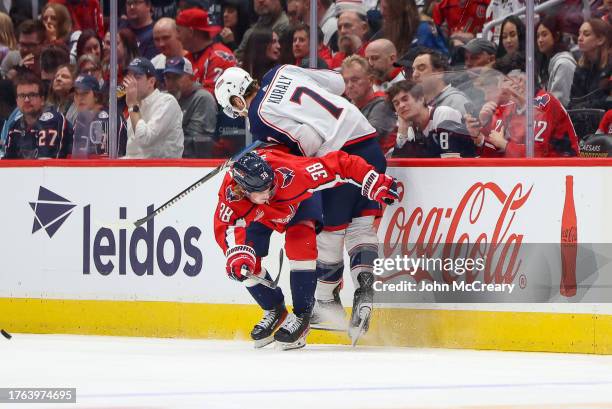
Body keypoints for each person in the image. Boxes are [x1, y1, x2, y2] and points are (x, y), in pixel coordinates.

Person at [214, 65, 391, 338]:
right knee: (361, 225)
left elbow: (309, 140)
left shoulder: (258, 117)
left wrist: (272, 152)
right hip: (368, 142)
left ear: (237, 100)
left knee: (330, 235)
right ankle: (365, 288)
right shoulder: (279, 71)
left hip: (339, 156)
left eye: (234, 107)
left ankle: (326, 302)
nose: (238, 113)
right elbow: (337, 83)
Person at [213, 149, 398, 349]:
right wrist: (236, 255)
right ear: (244, 190)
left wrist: (375, 181)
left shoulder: (293, 175)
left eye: (271, 187)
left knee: (301, 247)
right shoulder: (233, 197)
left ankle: (302, 317)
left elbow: (340, 164)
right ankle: (275, 310)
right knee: (244, 266)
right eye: (262, 192)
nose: (268, 194)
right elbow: (226, 227)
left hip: (298, 206)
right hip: (259, 215)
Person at [465, 54, 580, 157]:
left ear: (519, 81)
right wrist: (479, 137)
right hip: (527, 174)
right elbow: (498, 154)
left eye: (504, 80)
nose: (500, 86)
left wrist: (505, 145)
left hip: (562, 171)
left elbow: (538, 154)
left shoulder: (544, 103)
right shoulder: (507, 107)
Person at [387, 79, 476, 158]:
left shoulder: (443, 114)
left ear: (421, 98)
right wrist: (402, 132)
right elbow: (400, 164)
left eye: (405, 99)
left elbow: (449, 160)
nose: (401, 105)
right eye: (396, 103)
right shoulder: (409, 128)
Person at [123, 57, 184, 158]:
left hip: (164, 171)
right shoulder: (136, 106)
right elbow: (132, 152)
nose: (131, 82)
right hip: (138, 170)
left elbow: (145, 139)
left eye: (137, 77)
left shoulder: (167, 102)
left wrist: (132, 106)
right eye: (129, 77)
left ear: (151, 82)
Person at [4, 72, 72, 159]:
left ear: (42, 100)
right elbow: (8, 163)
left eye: (32, 95)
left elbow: (45, 164)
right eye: (22, 96)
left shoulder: (52, 120)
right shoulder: (14, 127)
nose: (27, 100)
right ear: (17, 101)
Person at [341, 55, 397, 156]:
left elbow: (368, 137)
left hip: (385, 165)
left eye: (355, 80)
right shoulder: (346, 106)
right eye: (345, 81)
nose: (349, 85)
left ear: (370, 81)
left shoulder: (383, 104)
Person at [164, 56, 217, 158]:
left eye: (176, 77)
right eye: (168, 78)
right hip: (169, 157)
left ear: (191, 77)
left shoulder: (202, 98)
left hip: (194, 162)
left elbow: (197, 141)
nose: (171, 82)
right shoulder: (166, 98)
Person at [176, 7, 236, 95]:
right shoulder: (187, 58)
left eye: (179, 31)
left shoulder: (219, 57)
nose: (177, 36)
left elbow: (208, 100)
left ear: (190, 31)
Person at [72, 74, 128, 158]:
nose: (79, 98)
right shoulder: (80, 119)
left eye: (85, 93)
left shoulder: (110, 117)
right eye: (76, 94)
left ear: (96, 96)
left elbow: (117, 156)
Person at [569, 18, 612, 111]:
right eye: (579, 34)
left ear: (601, 39)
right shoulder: (581, 68)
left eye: (586, 34)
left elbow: (609, 102)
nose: (580, 38)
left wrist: (585, 107)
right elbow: (573, 102)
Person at [411, 49, 470, 115]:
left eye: (421, 68)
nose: (414, 75)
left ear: (439, 73)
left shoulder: (457, 102)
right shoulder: (419, 105)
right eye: (413, 69)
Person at [535, 15, 576, 107]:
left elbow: (559, 103)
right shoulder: (546, 63)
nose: (540, 40)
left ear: (556, 36)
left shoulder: (564, 64)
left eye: (544, 34)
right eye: (538, 36)